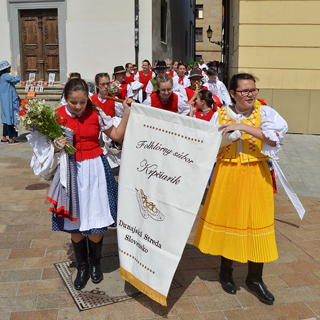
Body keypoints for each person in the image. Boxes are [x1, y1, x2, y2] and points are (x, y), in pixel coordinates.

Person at [193, 73, 288, 305]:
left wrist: (241, 127)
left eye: (253, 90)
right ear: (233, 93)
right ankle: (225, 272)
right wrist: (226, 139)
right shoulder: (221, 114)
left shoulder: (264, 112)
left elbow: (275, 138)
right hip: (227, 173)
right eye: (244, 91)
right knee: (230, 221)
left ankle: (255, 278)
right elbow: (208, 143)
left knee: (257, 222)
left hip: (256, 173)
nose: (250, 94)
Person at [29, 78, 132, 291]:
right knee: (75, 222)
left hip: (95, 170)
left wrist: (127, 113)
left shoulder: (96, 114)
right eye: (73, 102)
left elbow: (117, 135)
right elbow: (45, 150)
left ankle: (95, 263)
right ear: (65, 99)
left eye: (82, 102)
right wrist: (56, 147)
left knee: (96, 217)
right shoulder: (56, 118)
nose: (78, 106)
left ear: (87, 99)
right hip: (71, 172)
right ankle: (82, 265)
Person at [0, 60, 21, 145]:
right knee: (10, 118)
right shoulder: (5, 76)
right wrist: (19, 73)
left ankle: (4, 137)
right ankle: (11, 139)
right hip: (9, 100)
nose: (10, 69)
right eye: (9, 67)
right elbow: (16, 80)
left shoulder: (2, 76)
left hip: (5, 99)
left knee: (6, 118)